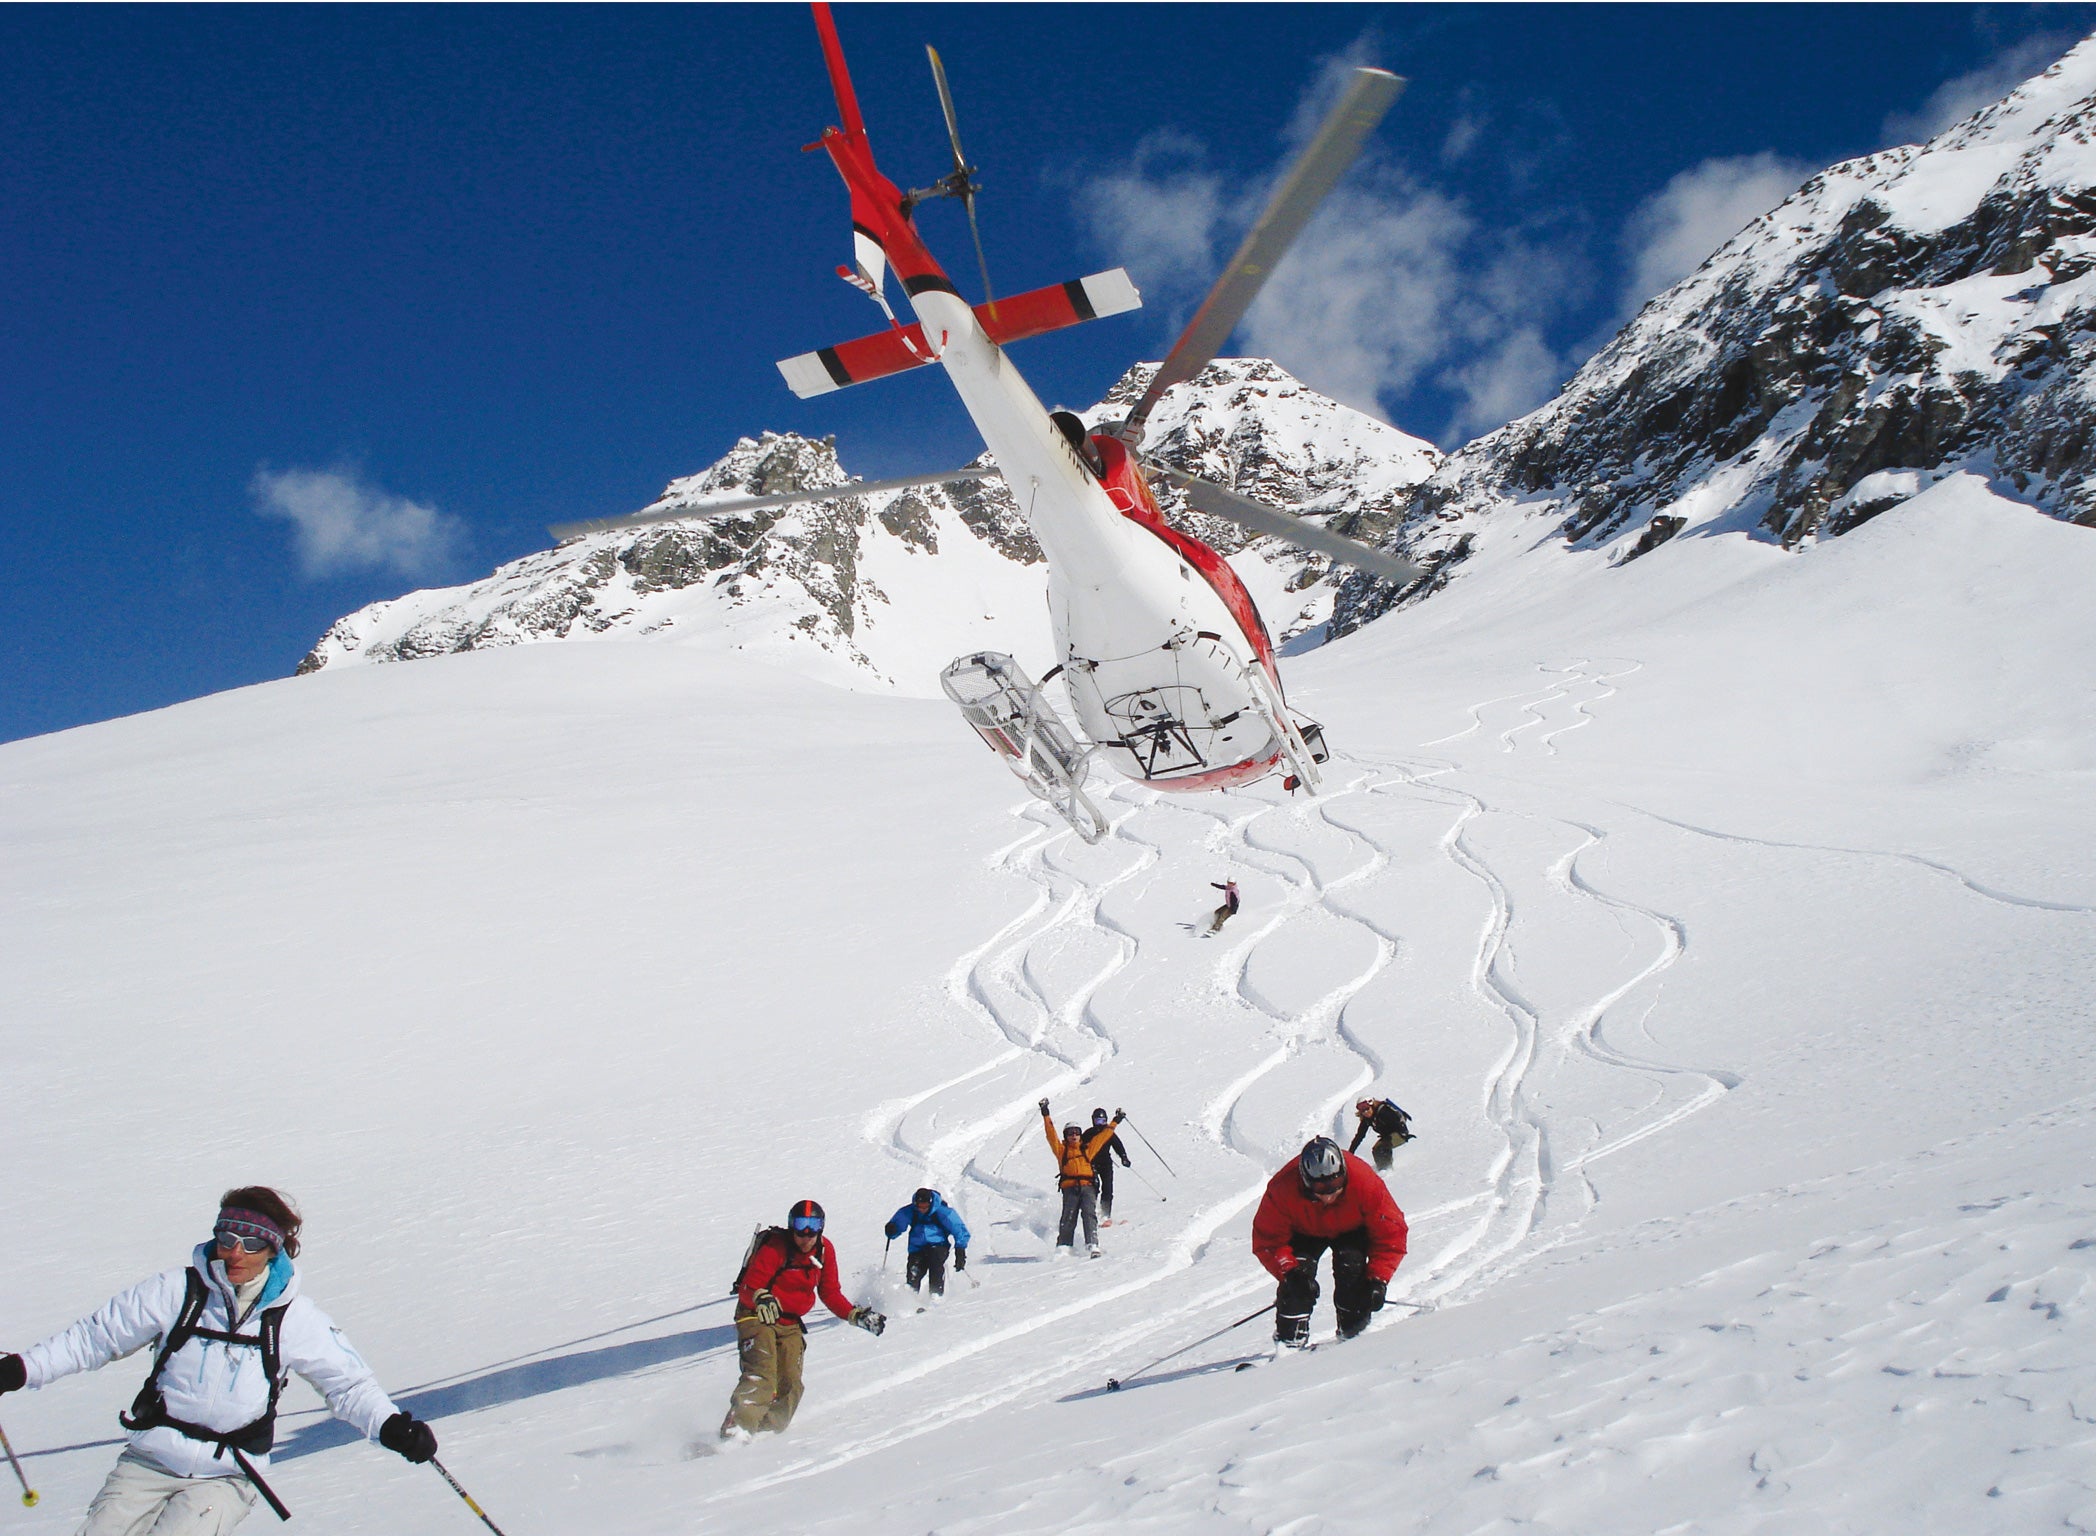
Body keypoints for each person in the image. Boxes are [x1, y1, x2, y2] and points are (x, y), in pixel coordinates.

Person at [0, 1187, 434, 1534]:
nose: (235, 1254)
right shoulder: (178, 1292)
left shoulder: (292, 1318)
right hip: (150, 1459)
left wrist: (390, 1426)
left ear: (274, 1250)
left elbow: (349, 1385)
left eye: (250, 1243)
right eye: (227, 1240)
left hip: (227, 1474)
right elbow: (94, 1339)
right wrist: (20, 1369)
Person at [723, 1199, 885, 1440]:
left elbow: (829, 1292)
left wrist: (854, 1315)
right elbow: (748, 1287)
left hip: (790, 1323)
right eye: (800, 1226)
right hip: (757, 1316)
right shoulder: (775, 1248)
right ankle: (735, 1433)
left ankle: (763, 1432)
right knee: (762, 1376)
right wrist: (761, 1296)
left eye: (814, 1226)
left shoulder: (824, 1250)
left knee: (791, 1386)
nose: (806, 1235)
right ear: (791, 1227)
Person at [1251, 1137, 1408, 1345]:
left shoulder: (1365, 1182)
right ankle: (1289, 1343)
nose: (1328, 1197)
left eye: (1335, 1186)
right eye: (1319, 1190)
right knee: (1297, 1282)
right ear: (1305, 1181)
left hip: (1351, 1230)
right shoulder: (1283, 1189)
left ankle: (1353, 1337)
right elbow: (1268, 1240)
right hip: (1305, 1231)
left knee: (1352, 1270)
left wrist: (1378, 1280)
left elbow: (1391, 1235)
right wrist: (1289, 1271)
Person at [1040, 1100, 1122, 1256]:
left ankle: (1092, 1244)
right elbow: (1051, 1134)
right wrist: (1045, 1114)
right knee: (1068, 1216)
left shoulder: (1087, 1149)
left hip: (1087, 1186)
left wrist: (1115, 1121)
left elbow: (1103, 1136)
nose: (1074, 1136)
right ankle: (1064, 1246)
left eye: (1077, 1132)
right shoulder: (1062, 1150)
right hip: (1070, 1187)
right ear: (1066, 1136)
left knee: (1089, 1214)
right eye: (1070, 1133)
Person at [883, 1188, 970, 1298]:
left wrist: (960, 1250)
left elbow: (959, 1230)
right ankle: (910, 1299)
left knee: (936, 1265)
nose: (922, 1210)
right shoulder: (910, 1211)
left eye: (925, 1207)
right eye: (920, 1206)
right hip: (917, 1247)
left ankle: (936, 1295)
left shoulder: (942, 1212)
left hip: (938, 1245)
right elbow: (898, 1223)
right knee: (914, 1270)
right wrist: (892, 1229)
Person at [1087, 1108, 1132, 1223]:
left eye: (1102, 1121)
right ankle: (1092, 1212)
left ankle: (1105, 1214)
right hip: (1092, 1164)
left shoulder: (1109, 1133)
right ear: (1093, 1121)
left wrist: (1123, 1157)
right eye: (1097, 1121)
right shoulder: (1089, 1133)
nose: (1100, 1124)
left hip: (1106, 1164)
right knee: (1094, 1187)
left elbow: (1118, 1145)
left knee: (1107, 1188)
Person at [1348, 1097, 1414, 1171]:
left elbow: (1396, 1123)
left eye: (1367, 1109)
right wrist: (1350, 1153)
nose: (1366, 1112)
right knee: (1376, 1149)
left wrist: (1403, 1135)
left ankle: (1386, 1169)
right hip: (1388, 1136)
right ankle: (1382, 1167)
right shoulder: (1367, 1119)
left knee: (1381, 1147)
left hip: (1400, 1134)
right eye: (1362, 1111)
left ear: (1372, 1106)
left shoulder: (1384, 1112)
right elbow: (1359, 1136)